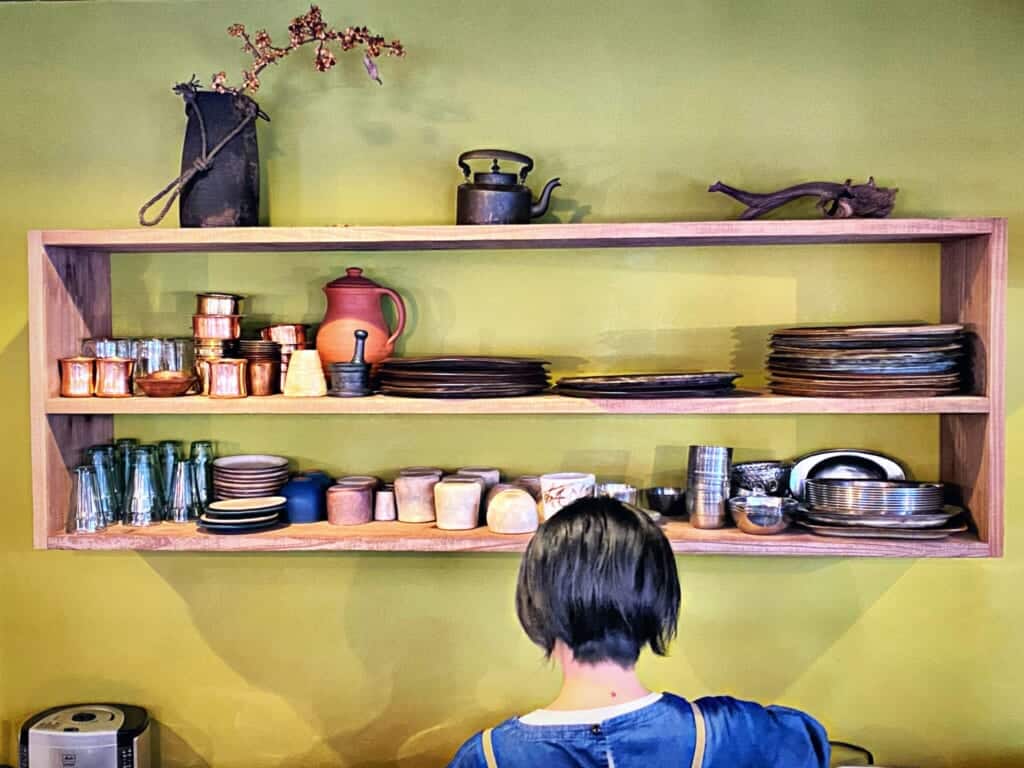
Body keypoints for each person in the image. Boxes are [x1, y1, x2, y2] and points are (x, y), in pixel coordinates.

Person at [447, 496, 830, 768]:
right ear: (660, 604)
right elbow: (809, 740)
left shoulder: (487, 757)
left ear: (535, 605)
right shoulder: (730, 733)